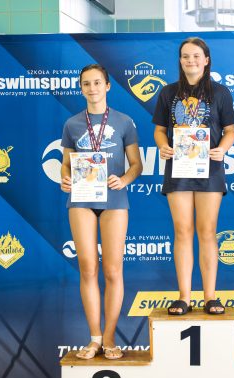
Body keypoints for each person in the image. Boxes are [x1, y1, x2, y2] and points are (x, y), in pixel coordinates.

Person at [60, 64, 143, 360]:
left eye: (97, 82)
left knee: (112, 270)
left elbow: (137, 164)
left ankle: (109, 337)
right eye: (86, 84)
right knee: (87, 268)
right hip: (82, 199)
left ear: (107, 86)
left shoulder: (124, 122)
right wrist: (65, 179)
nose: (92, 88)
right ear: (81, 88)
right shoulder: (72, 124)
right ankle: (94, 337)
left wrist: (124, 179)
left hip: (114, 200)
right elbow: (66, 164)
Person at [152, 37, 234, 315]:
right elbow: (159, 130)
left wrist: (222, 149)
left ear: (206, 60)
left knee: (207, 231)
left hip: (209, 168)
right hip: (178, 168)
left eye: (196, 56)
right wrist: (162, 146)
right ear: (180, 60)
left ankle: (210, 296)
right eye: (186, 56)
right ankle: (184, 297)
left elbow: (231, 131)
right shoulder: (168, 92)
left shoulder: (220, 92)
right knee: (182, 230)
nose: (191, 61)